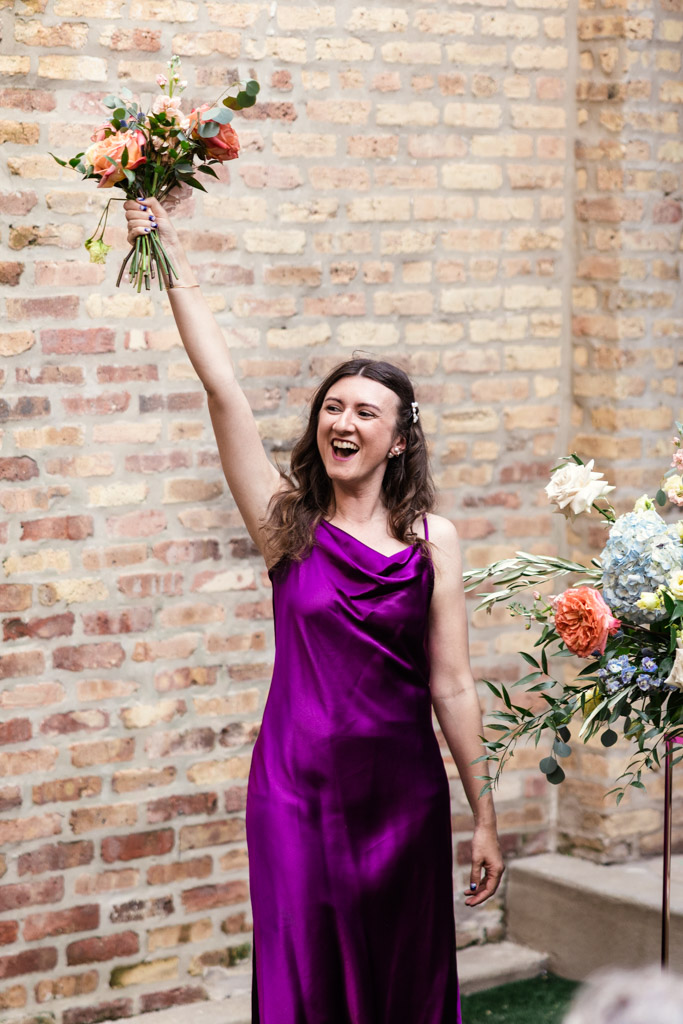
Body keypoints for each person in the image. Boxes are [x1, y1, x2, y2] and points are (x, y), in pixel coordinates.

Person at [123, 195, 505, 1024]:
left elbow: (453, 685)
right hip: (295, 792)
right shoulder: (284, 524)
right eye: (333, 407)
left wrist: (484, 815)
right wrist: (164, 249)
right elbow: (222, 389)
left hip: (403, 797)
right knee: (303, 982)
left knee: (400, 981)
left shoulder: (434, 539)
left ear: (399, 439)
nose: (342, 420)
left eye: (365, 411)